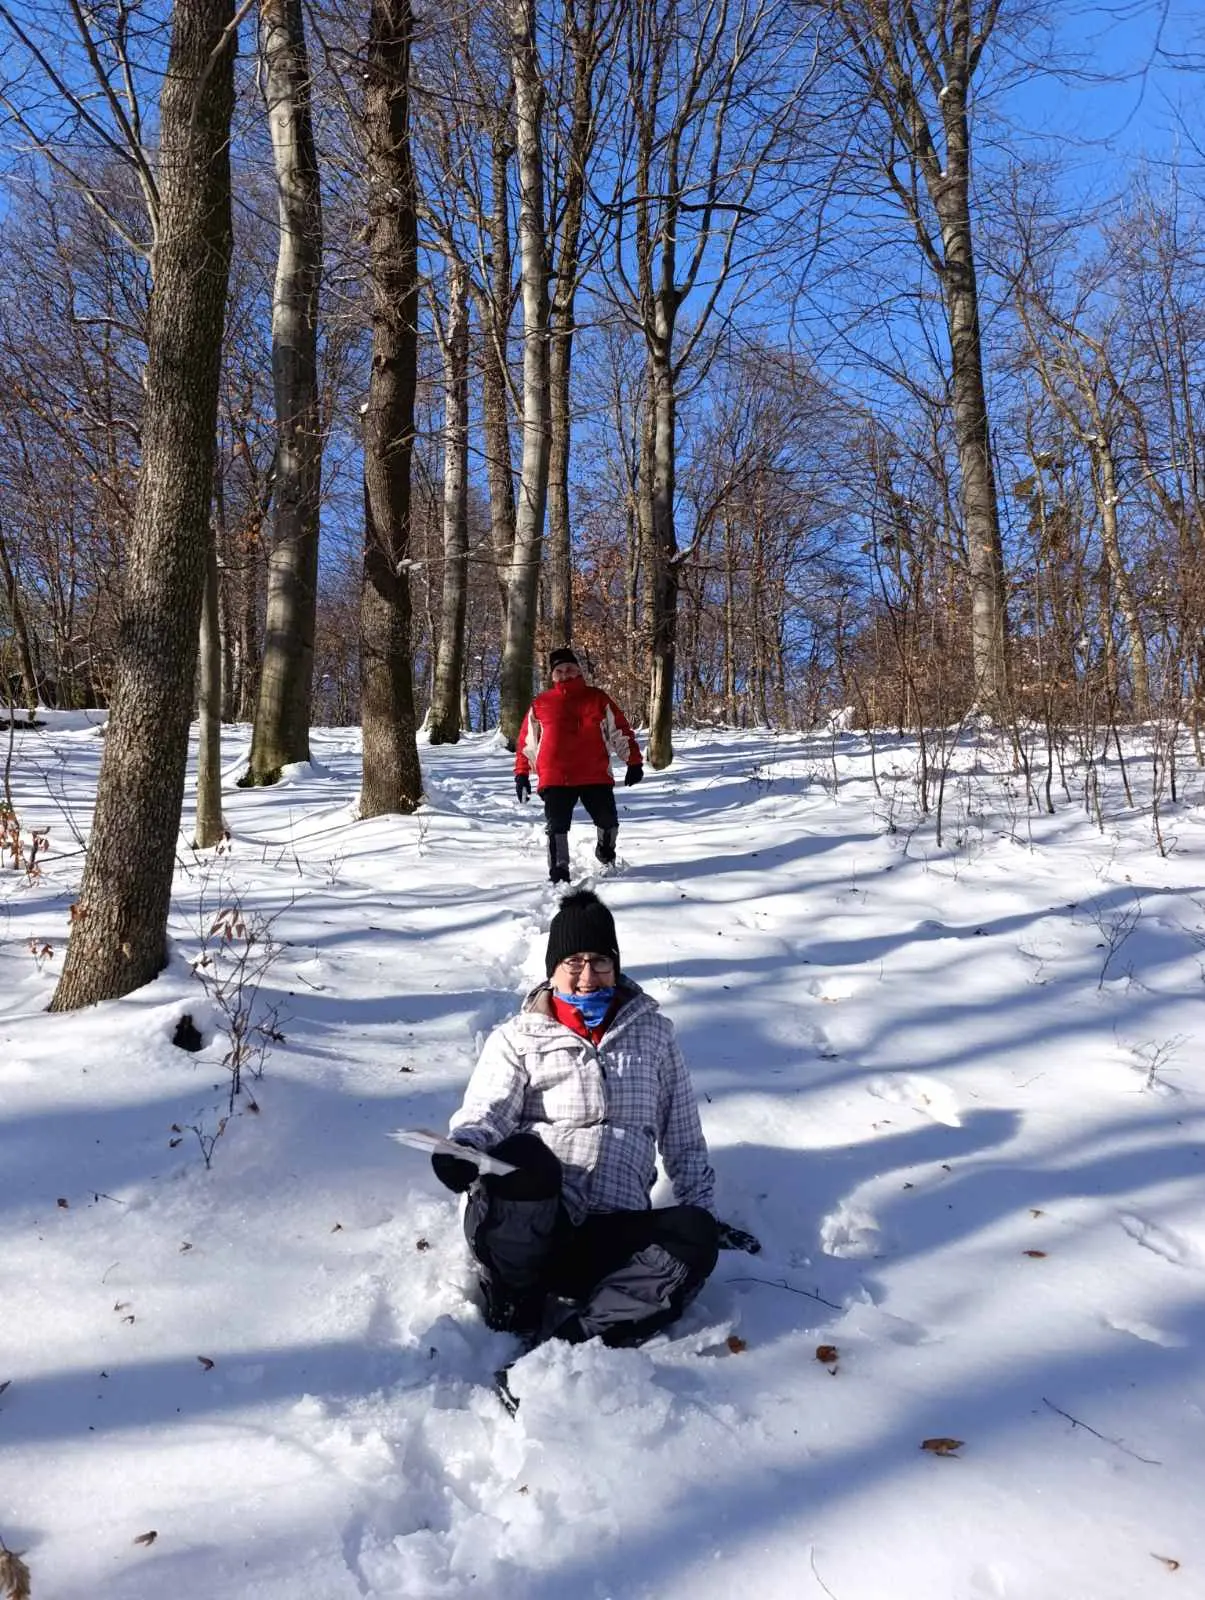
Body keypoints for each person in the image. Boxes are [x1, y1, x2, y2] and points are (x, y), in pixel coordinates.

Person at [430, 890, 719, 1350]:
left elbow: (683, 1136)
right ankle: (515, 1301)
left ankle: (582, 1335)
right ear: (553, 969)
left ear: (616, 965)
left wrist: (702, 1208)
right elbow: (487, 1111)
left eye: (601, 961)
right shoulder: (518, 1039)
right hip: (530, 1224)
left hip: (611, 1235)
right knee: (524, 1156)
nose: (588, 976)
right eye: (574, 962)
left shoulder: (655, 1036)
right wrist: (463, 1148)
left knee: (696, 1233)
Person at [514, 647, 643, 884]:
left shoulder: (597, 698)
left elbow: (619, 731)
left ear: (579, 670)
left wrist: (633, 761)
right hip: (555, 776)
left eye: (570, 669)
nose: (565, 674)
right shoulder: (542, 702)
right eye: (559, 671)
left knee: (608, 821)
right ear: (552, 675)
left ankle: (606, 854)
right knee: (557, 826)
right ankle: (559, 872)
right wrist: (521, 774)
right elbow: (527, 741)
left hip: (594, 773)